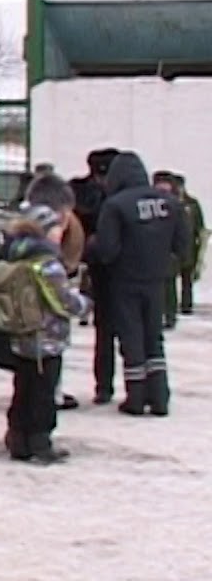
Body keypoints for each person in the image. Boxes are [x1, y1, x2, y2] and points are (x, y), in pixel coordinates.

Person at [87, 151, 189, 416]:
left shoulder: (116, 205)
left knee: (131, 337)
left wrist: (92, 248)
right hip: (156, 280)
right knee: (154, 338)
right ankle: (160, 397)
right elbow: (183, 247)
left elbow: (108, 250)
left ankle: (136, 397)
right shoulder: (170, 203)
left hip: (125, 280)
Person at [0, 203, 92, 463]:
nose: (60, 234)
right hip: (46, 338)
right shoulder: (47, 263)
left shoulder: (14, 255)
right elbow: (62, 300)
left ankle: (18, 439)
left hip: (22, 336)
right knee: (44, 393)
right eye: (56, 229)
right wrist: (85, 304)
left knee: (23, 389)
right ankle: (40, 442)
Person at [23, 173, 85, 411]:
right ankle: (39, 434)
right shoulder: (45, 258)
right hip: (45, 333)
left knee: (28, 382)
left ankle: (23, 432)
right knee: (42, 382)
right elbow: (61, 298)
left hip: (24, 329)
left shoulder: (19, 239)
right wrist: (83, 304)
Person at [70, 148, 120, 403]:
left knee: (107, 332)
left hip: (103, 268)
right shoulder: (91, 194)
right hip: (103, 269)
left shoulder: (87, 194)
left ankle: (106, 386)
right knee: (109, 332)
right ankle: (106, 386)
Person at [153, 171, 183, 329]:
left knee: (169, 288)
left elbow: (182, 232)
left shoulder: (176, 205)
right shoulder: (150, 203)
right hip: (151, 253)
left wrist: (180, 253)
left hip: (168, 253)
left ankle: (170, 316)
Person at [173, 173, 205, 314]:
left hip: (190, 246)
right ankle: (171, 306)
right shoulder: (169, 202)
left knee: (187, 279)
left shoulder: (192, 204)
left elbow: (199, 224)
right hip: (174, 246)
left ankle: (187, 305)